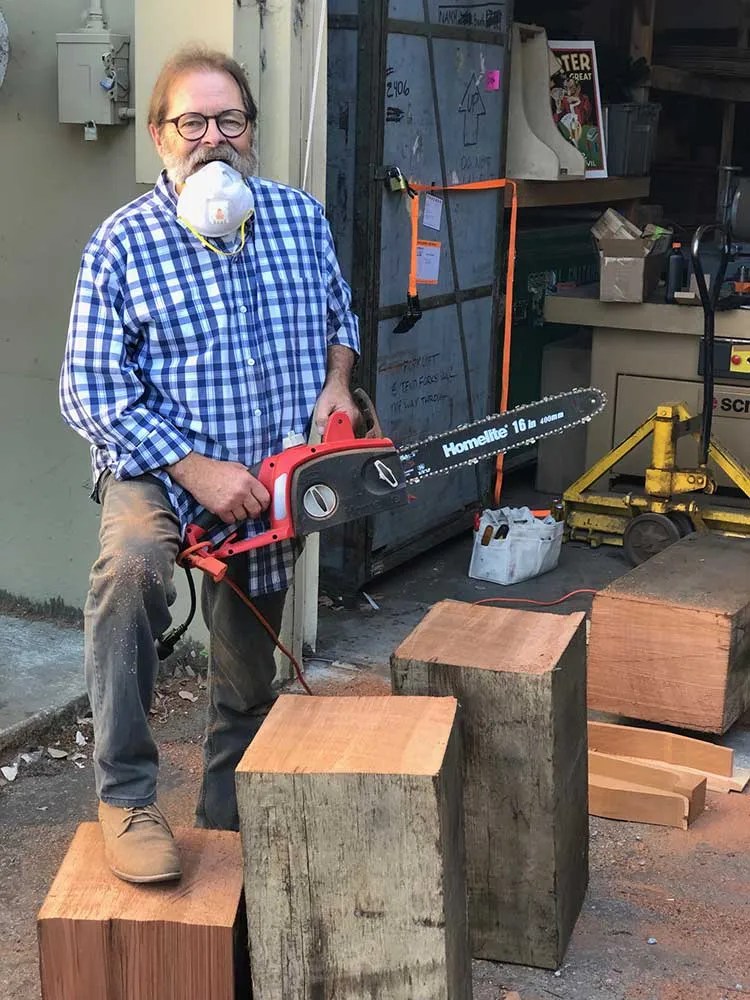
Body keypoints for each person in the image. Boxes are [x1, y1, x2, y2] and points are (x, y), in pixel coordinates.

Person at [59, 46, 360, 884]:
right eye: (192, 122)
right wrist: (195, 470)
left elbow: (341, 318)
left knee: (245, 658)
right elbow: (89, 391)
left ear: (250, 134)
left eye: (230, 120)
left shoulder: (300, 219)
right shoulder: (121, 244)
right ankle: (125, 796)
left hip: (269, 475)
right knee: (130, 569)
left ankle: (227, 817)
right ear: (160, 136)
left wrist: (337, 386)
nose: (213, 140)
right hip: (160, 470)